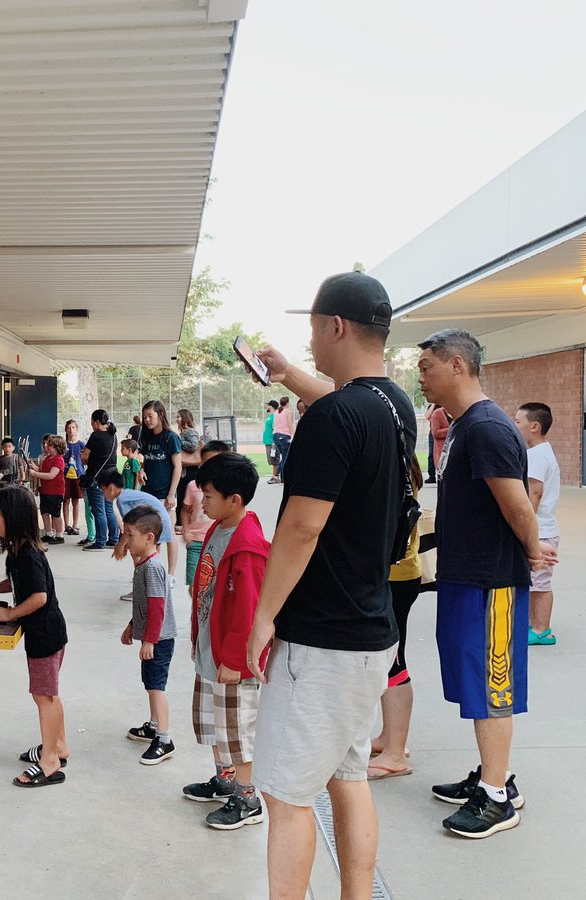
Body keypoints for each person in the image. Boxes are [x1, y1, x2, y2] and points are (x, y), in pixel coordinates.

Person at [247, 272, 412, 898]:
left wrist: (264, 617)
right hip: (371, 633)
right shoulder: (393, 408)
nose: (311, 337)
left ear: (335, 326)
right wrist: (289, 373)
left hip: (319, 643)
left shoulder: (333, 417)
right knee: (348, 778)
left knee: (286, 797)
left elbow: (301, 528)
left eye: (313, 325)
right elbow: (345, 403)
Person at [417, 329, 557, 838]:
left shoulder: (487, 427)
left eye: (428, 366)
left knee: (492, 688)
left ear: (458, 365)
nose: (421, 376)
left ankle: (497, 798)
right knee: (473, 685)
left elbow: (517, 502)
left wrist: (533, 548)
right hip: (464, 576)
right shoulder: (462, 426)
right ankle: (493, 777)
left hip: (491, 582)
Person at [182, 452, 270, 830]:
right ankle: (226, 779)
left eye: (210, 495)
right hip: (211, 649)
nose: (203, 501)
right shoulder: (219, 527)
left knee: (237, 729)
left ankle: (248, 799)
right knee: (216, 724)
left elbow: (249, 613)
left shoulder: (248, 546)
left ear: (235, 499)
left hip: (233, 660)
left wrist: (236, 659)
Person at [0, 487, 69, 787]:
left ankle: (50, 762)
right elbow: (21, 582)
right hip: (51, 632)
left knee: (44, 697)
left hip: (44, 635)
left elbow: (39, 596)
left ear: (14, 519)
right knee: (49, 694)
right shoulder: (19, 551)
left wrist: (10, 614)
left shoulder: (27, 554)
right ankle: (59, 746)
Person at [367, 455, 424, 781]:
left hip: (394, 577)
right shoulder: (403, 461)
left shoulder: (392, 465)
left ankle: (395, 751)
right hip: (399, 575)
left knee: (393, 661)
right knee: (391, 659)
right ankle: (390, 739)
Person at [118, 505, 178, 765]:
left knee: (156, 687)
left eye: (130, 535)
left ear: (149, 538)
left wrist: (150, 640)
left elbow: (157, 606)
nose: (126, 541)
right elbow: (144, 603)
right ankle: (153, 726)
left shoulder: (152, 567)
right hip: (152, 637)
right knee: (150, 684)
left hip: (159, 639)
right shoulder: (143, 564)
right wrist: (133, 625)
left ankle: (164, 739)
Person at [515, 402, 560, 646]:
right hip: (542, 527)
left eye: (518, 421)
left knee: (541, 582)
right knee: (534, 581)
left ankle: (542, 629)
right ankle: (533, 624)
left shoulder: (537, 456)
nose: (515, 425)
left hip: (541, 529)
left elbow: (535, 491)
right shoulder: (541, 452)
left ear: (534, 426)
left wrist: (525, 523)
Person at [97, 469, 175, 603]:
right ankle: (149, 585)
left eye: (102, 490)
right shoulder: (126, 495)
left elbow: (129, 529)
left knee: (137, 552)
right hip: (159, 523)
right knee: (148, 555)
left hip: (156, 524)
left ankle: (141, 590)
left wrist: (120, 546)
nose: (103, 494)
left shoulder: (122, 500)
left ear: (110, 488)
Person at [137, 400, 183, 580]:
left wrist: (171, 494)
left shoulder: (171, 438)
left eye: (150, 416)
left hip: (165, 495)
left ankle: (170, 575)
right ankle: (153, 574)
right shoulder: (147, 437)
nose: (147, 420)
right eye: (145, 417)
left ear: (160, 415)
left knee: (169, 533)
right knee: (151, 535)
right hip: (149, 493)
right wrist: (141, 469)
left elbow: (177, 468)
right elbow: (146, 460)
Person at [180, 441, 230, 592]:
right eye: (206, 462)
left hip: (220, 542)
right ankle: (198, 614)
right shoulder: (192, 486)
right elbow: (185, 510)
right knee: (194, 586)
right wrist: (186, 531)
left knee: (216, 585)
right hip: (196, 542)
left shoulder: (229, 488)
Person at [81, 409, 119, 550]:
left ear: (97, 422)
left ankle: (100, 541)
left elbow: (85, 457)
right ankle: (114, 539)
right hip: (112, 476)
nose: (92, 425)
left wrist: (88, 458)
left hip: (97, 477)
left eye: (92, 422)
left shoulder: (96, 436)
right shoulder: (113, 435)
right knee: (108, 509)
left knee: (98, 510)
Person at [31, 435, 67, 544]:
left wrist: (35, 474)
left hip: (55, 491)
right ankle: (48, 533)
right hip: (45, 490)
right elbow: (41, 470)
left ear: (57, 447)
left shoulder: (58, 460)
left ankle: (59, 535)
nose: (47, 447)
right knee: (44, 512)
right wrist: (32, 465)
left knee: (55, 513)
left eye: (50, 445)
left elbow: (51, 475)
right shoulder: (47, 458)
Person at [63, 420, 86, 536]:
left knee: (75, 501)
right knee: (65, 500)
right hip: (65, 475)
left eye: (73, 427)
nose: (71, 430)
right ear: (66, 430)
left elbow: (85, 459)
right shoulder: (63, 445)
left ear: (76, 429)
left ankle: (75, 525)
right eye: (69, 428)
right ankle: (67, 525)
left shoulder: (82, 445)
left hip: (77, 475)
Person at [271, 393, 294, 480]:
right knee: (285, 457)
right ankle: (284, 478)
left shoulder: (277, 412)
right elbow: (290, 424)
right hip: (285, 435)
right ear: (287, 403)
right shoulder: (288, 411)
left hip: (276, 435)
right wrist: (292, 435)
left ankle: (278, 475)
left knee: (283, 456)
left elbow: (274, 425)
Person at [429, 404, 450, 477]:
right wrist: (451, 429)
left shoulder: (457, 413)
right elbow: (435, 433)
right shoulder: (437, 413)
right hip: (443, 453)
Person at [263, 400, 280, 482]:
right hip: (267, 441)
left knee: (274, 459)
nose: (267, 407)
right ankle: (274, 476)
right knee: (271, 459)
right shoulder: (271, 416)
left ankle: (275, 476)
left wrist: (274, 442)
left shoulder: (276, 416)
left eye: (268, 405)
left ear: (271, 406)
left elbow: (275, 429)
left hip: (272, 441)